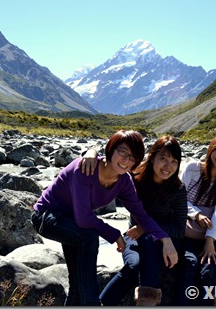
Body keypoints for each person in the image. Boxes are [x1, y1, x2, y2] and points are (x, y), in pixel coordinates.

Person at [30, 130, 178, 306]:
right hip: (46, 216)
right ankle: (93, 304)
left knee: (77, 286)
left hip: (71, 223)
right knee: (89, 236)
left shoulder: (124, 181)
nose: (126, 160)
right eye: (123, 152)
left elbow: (141, 215)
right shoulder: (86, 168)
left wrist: (165, 238)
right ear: (111, 149)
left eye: (132, 157)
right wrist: (114, 234)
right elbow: (84, 218)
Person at [81, 135, 187, 306]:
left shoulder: (178, 189)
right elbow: (109, 165)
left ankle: (146, 303)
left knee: (148, 238)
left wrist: (146, 228)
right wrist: (91, 152)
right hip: (134, 238)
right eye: (164, 159)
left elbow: (179, 229)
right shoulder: (134, 180)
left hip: (163, 244)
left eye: (174, 161)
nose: (168, 166)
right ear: (152, 158)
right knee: (133, 266)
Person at [174, 133, 216, 306]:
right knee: (190, 265)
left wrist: (210, 241)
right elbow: (178, 198)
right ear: (211, 149)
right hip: (186, 231)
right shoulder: (192, 168)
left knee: (208, 271)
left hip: (210, 233)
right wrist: (197, 214)